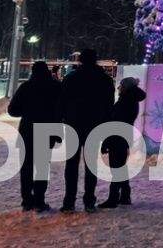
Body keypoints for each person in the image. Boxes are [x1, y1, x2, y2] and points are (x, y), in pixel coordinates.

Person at [58, 49, 114, 213]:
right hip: (94, 125)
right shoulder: (104, 80)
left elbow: (61, 103)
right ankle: (89, 200)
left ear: (81, 60)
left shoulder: (71, 79)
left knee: (71, 165)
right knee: (91, 165)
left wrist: (58, 122)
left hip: (73, 125)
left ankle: (69, 201)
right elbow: (109, 106)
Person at [9, 61, 62, 212]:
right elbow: (61, 111)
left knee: (26, 167)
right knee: (42, 167)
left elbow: (12, 110)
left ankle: (27, 200)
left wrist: (26, 111)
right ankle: (39, 200)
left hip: (27, 131)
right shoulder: (56, 87)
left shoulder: (26, 87)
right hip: (47, 132)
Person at [99, 77, 146, 209]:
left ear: (127, 88)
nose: (119, 88)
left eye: (121, 86)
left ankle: (113, 198)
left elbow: (114, 124)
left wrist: (106, 142)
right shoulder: (130, 101)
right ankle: (125, 195)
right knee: (120, 167)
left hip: (117, 138)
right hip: (122, 138)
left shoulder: (125, 103)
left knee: (116, 168)